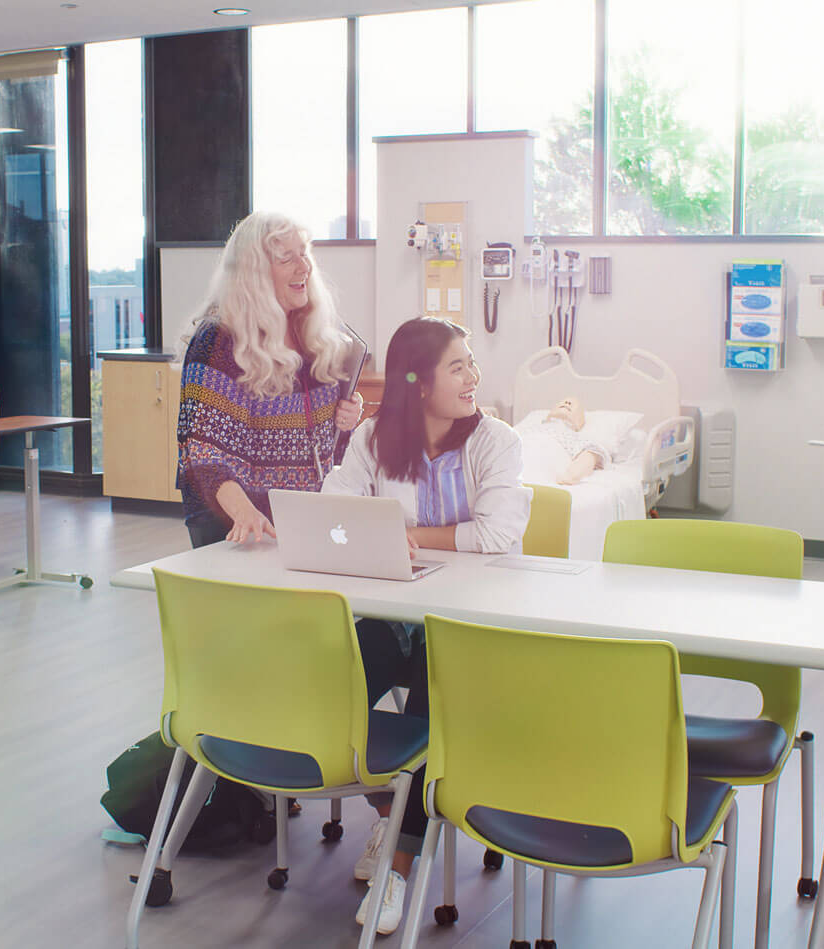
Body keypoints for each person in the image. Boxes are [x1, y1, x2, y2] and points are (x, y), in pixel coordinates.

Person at [320, 316, 531, 935]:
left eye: (472, 363)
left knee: (425, 702)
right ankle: (392, 811)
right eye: (459, 366)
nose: (474, 377)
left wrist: (406, 536)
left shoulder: (497, 442)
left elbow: (496, 533)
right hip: (394, 608)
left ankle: (398, 868)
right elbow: (336, 507)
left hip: (470, 624)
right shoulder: (372, 439)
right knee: (335, 689)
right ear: (418, 383)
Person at [173, 211, 365, 549]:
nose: (303, 267)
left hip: (301, 516)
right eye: (286, 258)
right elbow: (199, 449)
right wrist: (243, 512)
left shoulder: (313, 336)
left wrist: (344, 421)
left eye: (304, 253)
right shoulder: (217, 339)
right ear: (254, 274)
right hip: (235, 521)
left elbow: (323, 444)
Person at [525, 395, 610, 484]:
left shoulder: (576, 438)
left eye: (574, 406)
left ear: (580, 422)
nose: (567, 403)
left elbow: (589, 457)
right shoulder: (527, 429)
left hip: (537, 466)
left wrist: (571, 476)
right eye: (563, 402)